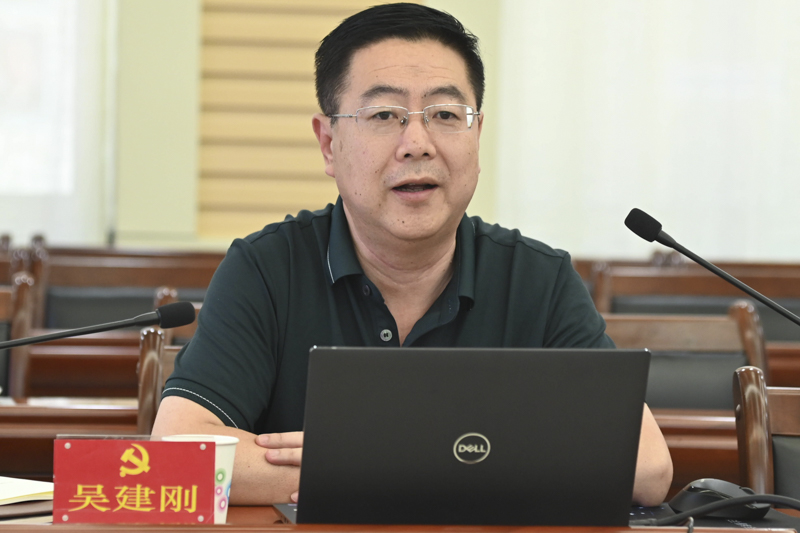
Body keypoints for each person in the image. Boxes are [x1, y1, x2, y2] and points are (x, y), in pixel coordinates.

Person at [152, 2, 673, 507]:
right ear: (329, 143)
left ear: (476, 134)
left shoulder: (537, 279)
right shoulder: (267, 270)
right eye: (384, 114)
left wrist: (368, 465)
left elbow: (647, 467)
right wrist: (462, 466)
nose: (417, 143)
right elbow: (177, 454)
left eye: (445, 114)